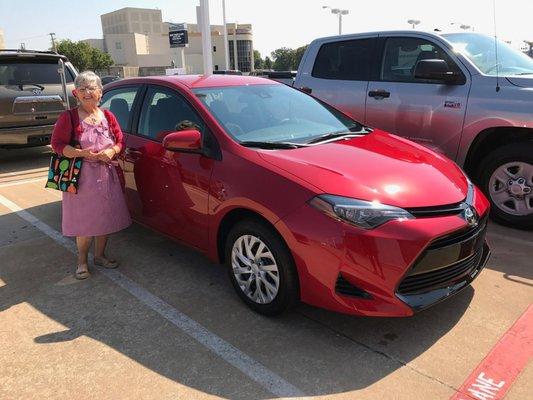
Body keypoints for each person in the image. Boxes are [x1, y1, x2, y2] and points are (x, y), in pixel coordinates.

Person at [51, 71, 131, 280]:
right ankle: (82, 261)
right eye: (83, 89)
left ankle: (100, 256)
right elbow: (57, 145)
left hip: (107, 174)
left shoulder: (108, 116)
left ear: (100, 92)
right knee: (84, 222)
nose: (87, 92)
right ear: (76, 93)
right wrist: (80, 153)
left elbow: (120, 141)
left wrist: (112, 151)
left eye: (92, 88)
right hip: (81, 177)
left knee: (105, 217)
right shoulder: (68, 117)